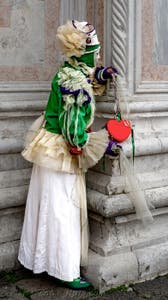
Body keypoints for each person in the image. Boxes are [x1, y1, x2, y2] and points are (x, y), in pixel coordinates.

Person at [18, 20, 118, 289]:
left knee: (48, 203)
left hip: (48, 147)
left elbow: (86, 77)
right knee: (63, 207)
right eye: (95, 52)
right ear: (83, 50)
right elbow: (73, 127)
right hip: (60, 149)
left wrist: (101, 76)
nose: (97, 56)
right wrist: (90, 143)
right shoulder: (73, 82)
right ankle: (64, 269)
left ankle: (40, 260)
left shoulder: (70, 71)